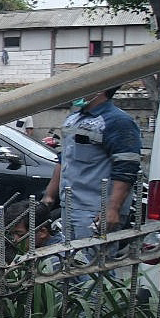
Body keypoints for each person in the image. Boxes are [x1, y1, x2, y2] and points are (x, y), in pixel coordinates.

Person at [41, 87, 142, 244]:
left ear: (98, 88)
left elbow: (126, 168)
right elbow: (64, 158)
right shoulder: (73, 118)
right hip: (69, 206)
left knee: (94, 263)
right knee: (72, 262)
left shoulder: (118, 121)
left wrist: (112, 208)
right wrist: (49, 195)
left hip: (94, 211)